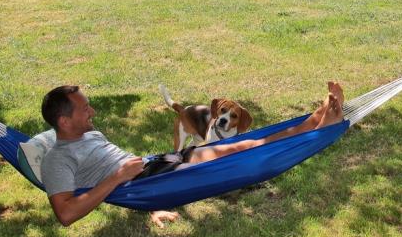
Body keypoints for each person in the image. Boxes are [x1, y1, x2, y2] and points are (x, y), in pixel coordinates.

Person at [40, 81, 345, 227]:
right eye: (85, 108)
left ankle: (313, 122)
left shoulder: (89, 133)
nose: (93, 111)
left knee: (242, 145)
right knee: (243, 149)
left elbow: (131, 187)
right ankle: (316, 124)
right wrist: (119, 177)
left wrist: (151, 203)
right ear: (64, 121)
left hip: (152, 170)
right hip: (145, 175)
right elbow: (65, 214)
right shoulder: (58, 159)